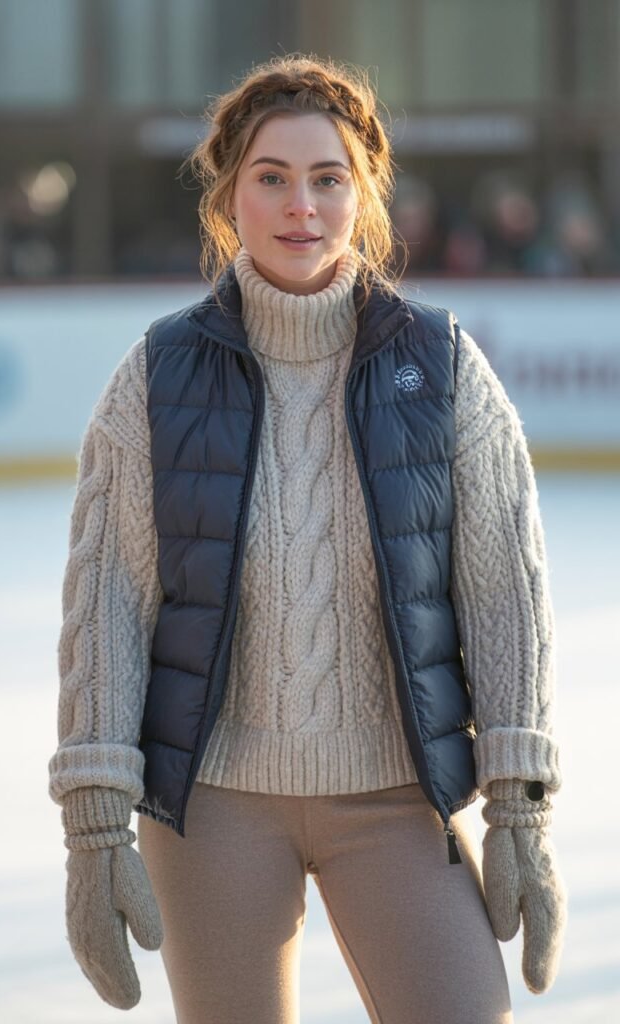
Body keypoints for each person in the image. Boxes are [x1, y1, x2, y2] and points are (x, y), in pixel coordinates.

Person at [47, 54, 567, 1024]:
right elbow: (109, 600)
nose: (302, 206)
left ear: (363, 193)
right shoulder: (155, 378)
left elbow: (505, 593)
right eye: (271, 178)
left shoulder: (442, 367)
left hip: (395, 797)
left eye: (328, 178)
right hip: (213, 807)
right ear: (228, 199)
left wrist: (518, 810)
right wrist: (93, 826)